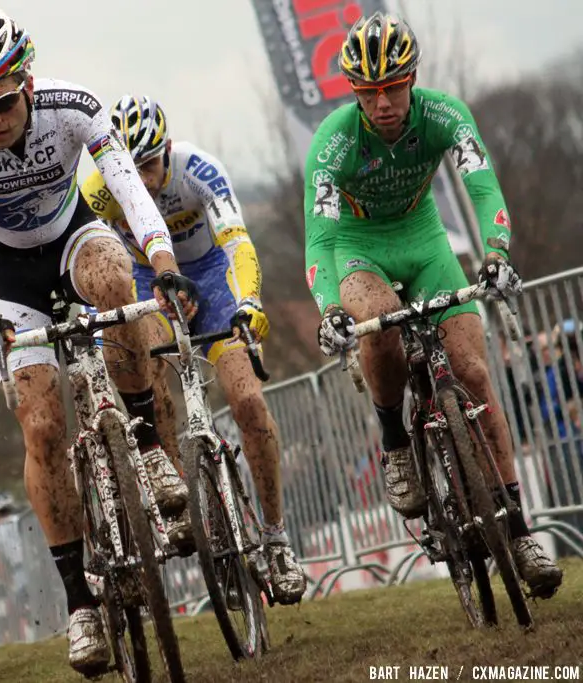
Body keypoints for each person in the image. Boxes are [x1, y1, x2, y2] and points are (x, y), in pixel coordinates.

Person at [0, 8, 202, 675]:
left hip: (73, 241)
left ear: (26, 81)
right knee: (44, 427)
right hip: (7, 282)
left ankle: (143, 440)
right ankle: (81, 603)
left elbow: (130, 190)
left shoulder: (71, 107)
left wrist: (162, 261)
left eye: (0, 102)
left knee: (116, 279)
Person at [305, 12, 561, 597]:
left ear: (413, 77)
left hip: (425, 241)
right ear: (354, 93)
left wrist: (496, 251)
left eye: (393, 85)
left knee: (473, 375)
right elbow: (318, 237)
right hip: (359, 248)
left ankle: (518, 530)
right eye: (369, 92)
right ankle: (394, 439)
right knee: (379, 326)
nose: (383, 102)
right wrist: (328, 306)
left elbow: (483, 185)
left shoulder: (444, 114)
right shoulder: (334, 142)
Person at [80, 95, 306, 604]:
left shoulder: (199, 169)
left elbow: (238, 242)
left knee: (247, 401)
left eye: (151, 164)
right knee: (148, 366)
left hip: (209, 275)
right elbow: (83, 255)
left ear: (167, 148)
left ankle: (275, 538)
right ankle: (182, 501)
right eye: (131, 171)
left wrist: (248, 301)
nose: (146, 180)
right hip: (145, 280)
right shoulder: (96, 188)